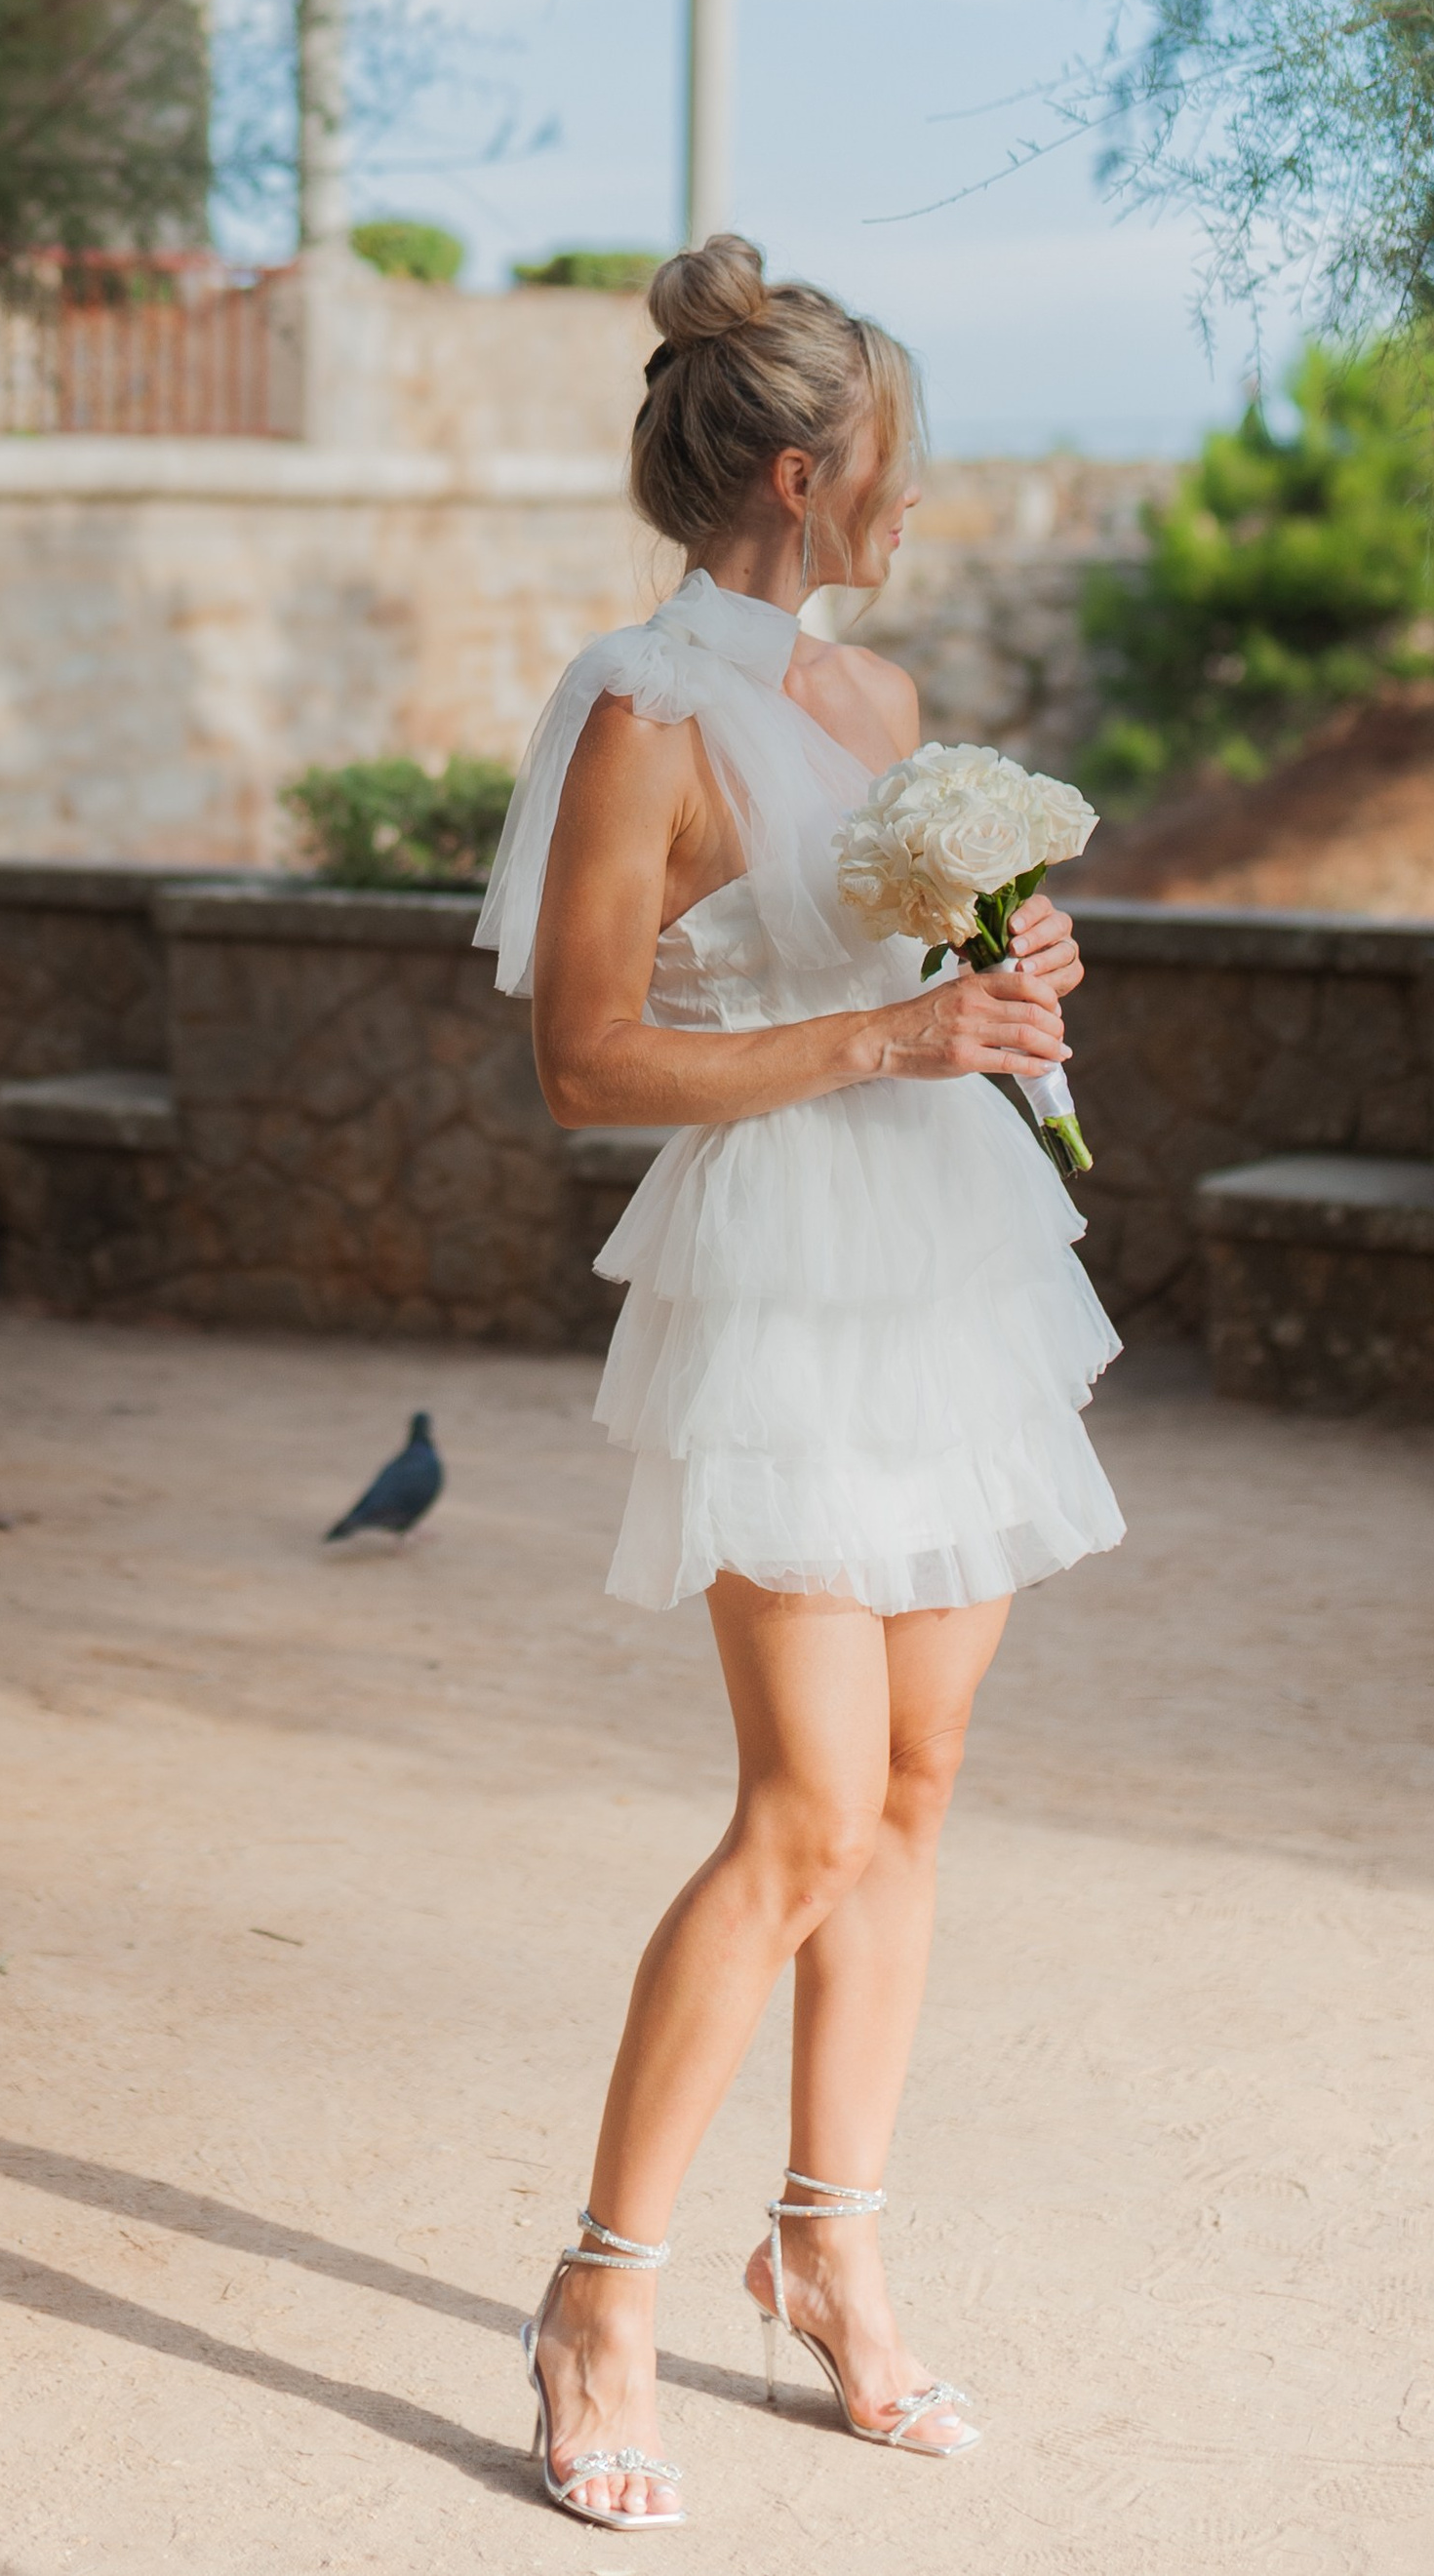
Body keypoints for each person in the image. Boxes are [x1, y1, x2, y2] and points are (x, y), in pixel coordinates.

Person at [474, 234, 1124, 2532]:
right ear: (791, 465)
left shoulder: (871, 698)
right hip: (779, 1275)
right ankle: (600, 2292)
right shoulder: (642, 711)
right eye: (889, 463)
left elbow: (919, 948)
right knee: (800, 1814)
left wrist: (1008, 952)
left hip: (947, 1256)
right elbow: (580, 1056)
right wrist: (888, 1029)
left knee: (920, 1791)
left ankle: (827, 2249)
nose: (908, 497)